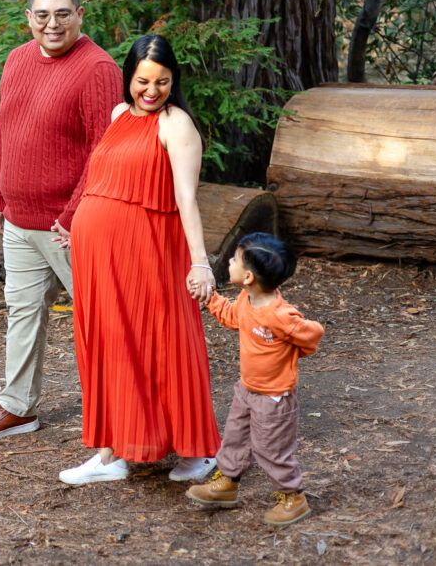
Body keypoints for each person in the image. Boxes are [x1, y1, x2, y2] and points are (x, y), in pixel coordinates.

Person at [0, 0, 121, 446]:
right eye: (42, 15)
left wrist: (73, 216)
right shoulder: (16, 60)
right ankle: (17, 408)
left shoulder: (98, 69)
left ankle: (119, 417)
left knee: (100, 322)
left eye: (62, 14)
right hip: (19, 221)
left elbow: (104, 151)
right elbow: (4, 132)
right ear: (28, 17)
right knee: (23, 314)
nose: (52, 24)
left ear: (79, 14)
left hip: (70, 227)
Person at [58, 34, 222, 486]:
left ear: (174, 81)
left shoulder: (176, 124)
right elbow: (104, 179)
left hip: (148, 251)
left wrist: (200, 262)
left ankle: (199, 450)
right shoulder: (117, 115)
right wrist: (77, 224)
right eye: (142, 81)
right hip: (99, 257)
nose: (151, 91)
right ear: (128, 77)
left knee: (164, 340)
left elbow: (187, 199)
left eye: (163, 82)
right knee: (109, 345)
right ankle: (112, 450)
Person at [185, 232, 324, 526]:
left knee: (270, 448)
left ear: (248, 276)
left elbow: (312, 333)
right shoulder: (247, 301)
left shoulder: (280, 315)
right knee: (234, 437)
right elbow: (232, 316)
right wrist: (209, 297)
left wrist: (293, 353)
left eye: (235, 258)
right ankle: (228, 484)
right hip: (247, 390)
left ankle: (293, 497)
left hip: (274, 398)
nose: (230, 261)